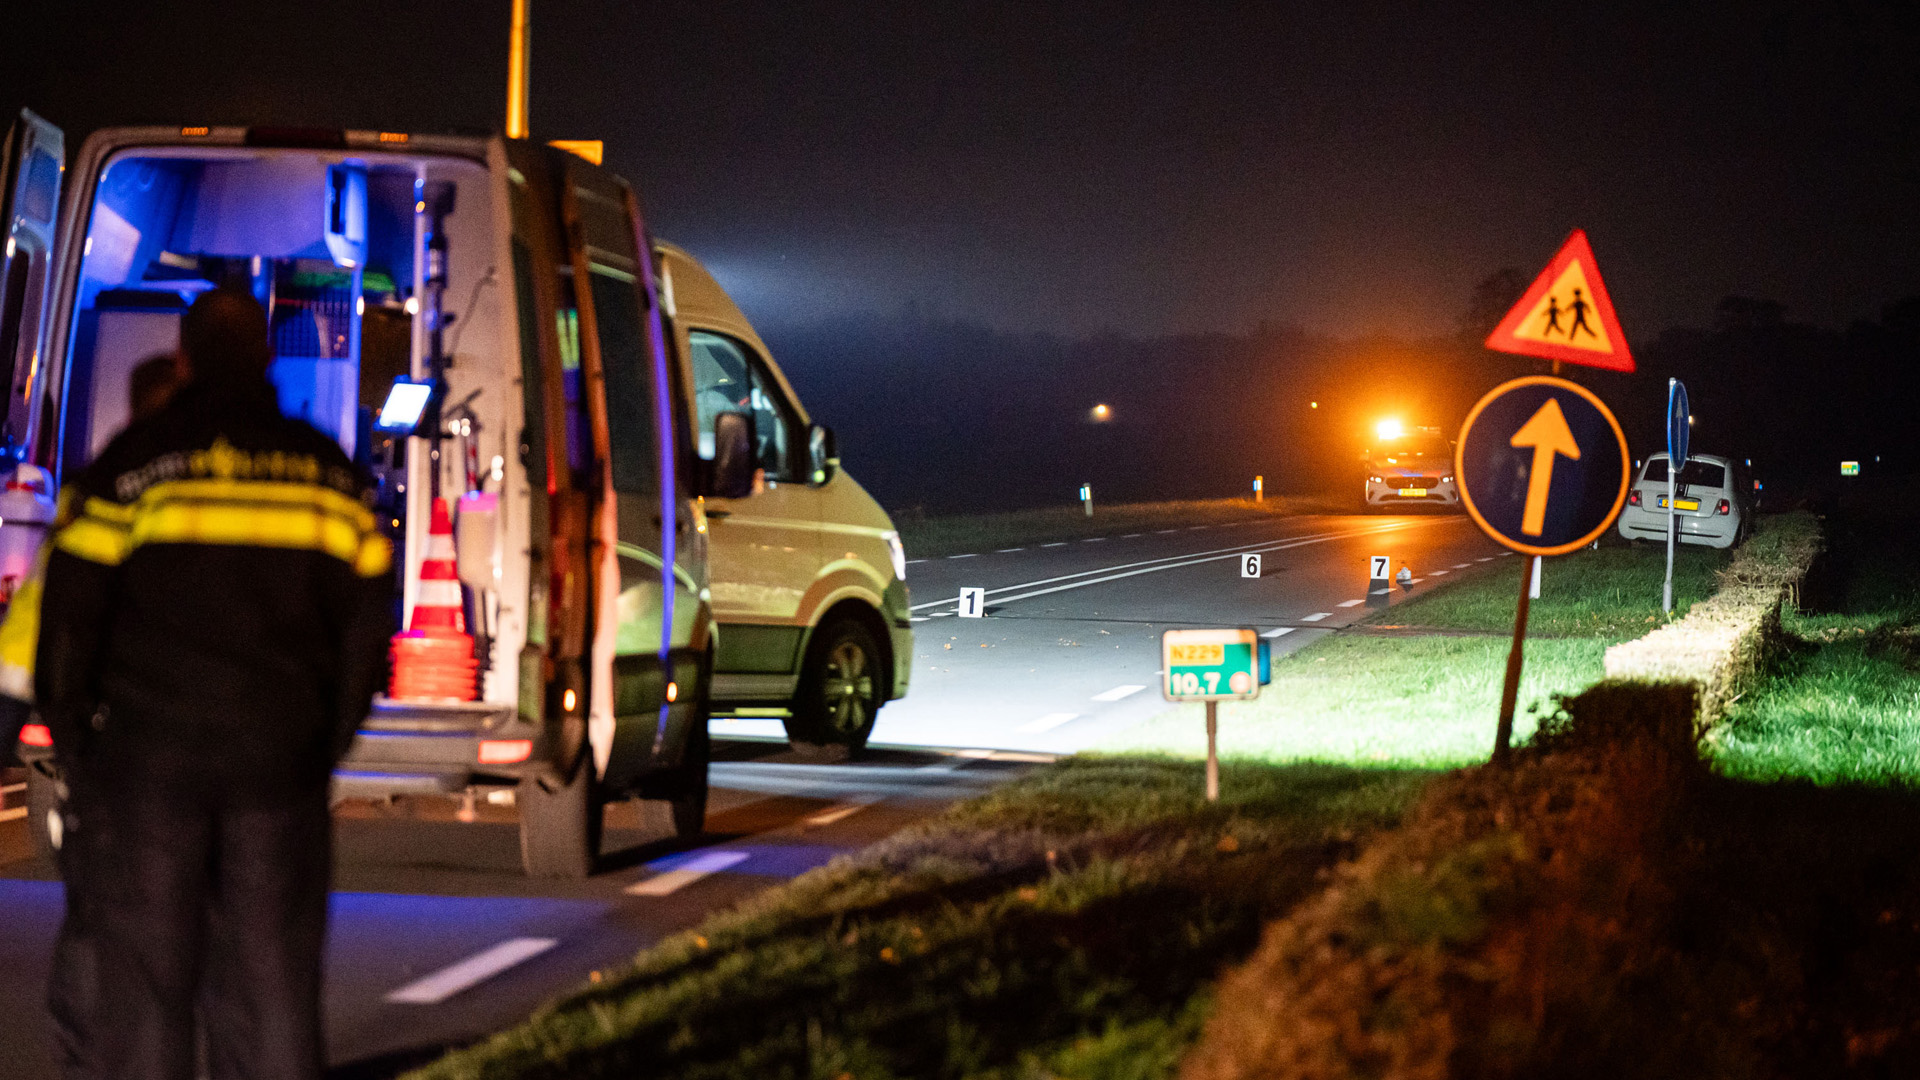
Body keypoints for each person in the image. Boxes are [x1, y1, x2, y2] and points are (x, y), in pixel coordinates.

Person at [37, 287, 393, 1080]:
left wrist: (81, 748)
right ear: (268, 357)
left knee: (148, 991)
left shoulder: (128, 469)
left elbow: (67, 626)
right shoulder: (330, 476)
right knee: (272, 992)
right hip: (277, 770)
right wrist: (322, 747)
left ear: (184, 357)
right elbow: (368, 633)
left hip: (145, 769)